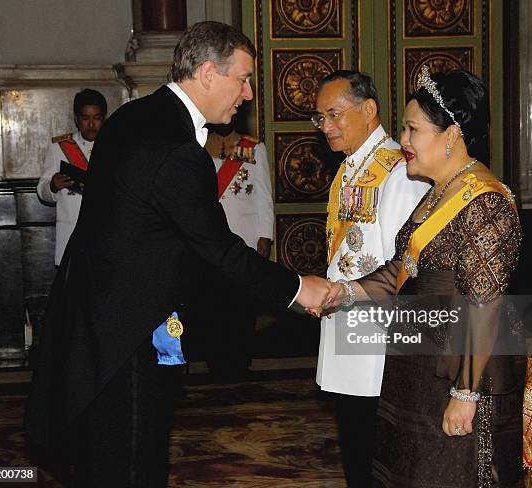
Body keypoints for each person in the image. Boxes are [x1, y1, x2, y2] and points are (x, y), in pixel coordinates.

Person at [24, 21, 331, 487]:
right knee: (131, 464)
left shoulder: (133, 116)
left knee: (104, 458)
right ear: (209, 73)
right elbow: (217, 249)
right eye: (243, 79)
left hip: (97, 327)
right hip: (130, 337)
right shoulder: (176, 150)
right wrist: (298, 288)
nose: (247, 94)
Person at [322, 67, 524, 487]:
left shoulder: (484, 203)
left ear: (450, 134)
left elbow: (483, 305)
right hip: (422, 363)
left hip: (462, 370)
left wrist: (465, 393)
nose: (406, 141)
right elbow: (402, 269)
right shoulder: (438, 192)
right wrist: (344, 292)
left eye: (413, 129)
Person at [312, 70, 430, 487]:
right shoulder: (350, 168)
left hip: (377, 341)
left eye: (333, 115)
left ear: (368, 110)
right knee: (356, 445)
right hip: (347, 328)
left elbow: (407, 266)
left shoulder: (399, 172)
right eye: (320, 118)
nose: (325, 126)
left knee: (378, 455)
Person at [198, 118, 274, 376]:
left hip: (244, 237)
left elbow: (263, 195)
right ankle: (214, 358)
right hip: (210, 238)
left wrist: (265, 235)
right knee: (212, 300)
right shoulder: (199, 145)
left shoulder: (253, 148)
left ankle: (240, 357)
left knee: (241, 302)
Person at [36, 89, 107, 265]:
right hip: (72, 233)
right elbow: (42, 190)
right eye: (85, 118)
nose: (91, 124)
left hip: (106, 233)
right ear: (76, 119)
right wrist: (53, 186)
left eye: (96, 118)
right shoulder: (60, 148)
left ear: (104, 118)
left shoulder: (116, 147)